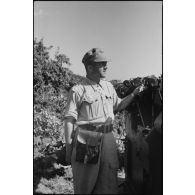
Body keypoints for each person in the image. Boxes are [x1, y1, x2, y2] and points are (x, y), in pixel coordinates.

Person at [64, 48, 145, 194]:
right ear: (89, 67)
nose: (106, 66)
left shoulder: (108, 86)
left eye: (106, 63)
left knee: (108, 177)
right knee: (86, 181)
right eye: (102, 64)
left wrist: (133, 94)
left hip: (108, 137)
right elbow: (69, 120)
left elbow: (118, 105)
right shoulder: (78, 89)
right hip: (88, 136)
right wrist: (69, 150)